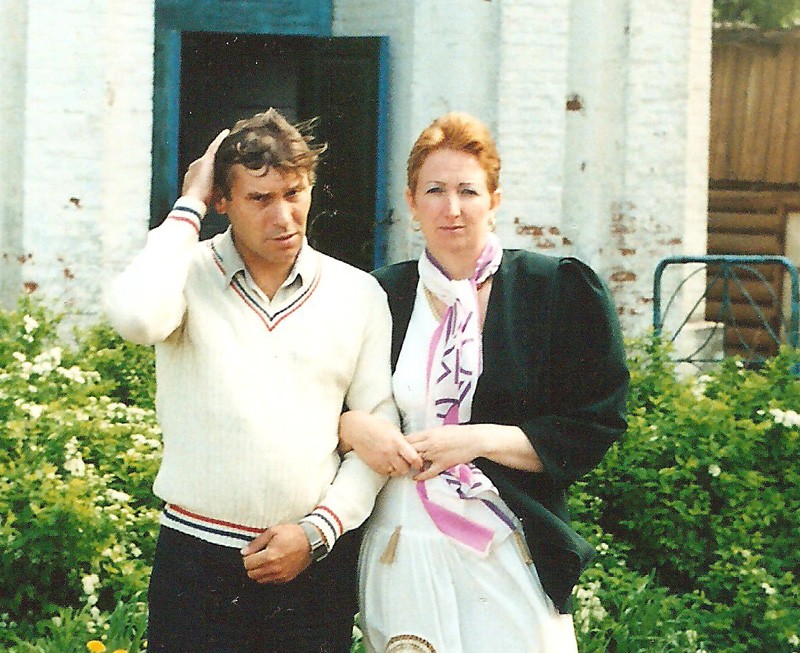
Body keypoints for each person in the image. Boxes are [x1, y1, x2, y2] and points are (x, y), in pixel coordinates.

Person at [104, 108, 397, 653]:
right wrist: (187, 206)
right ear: (223, 201)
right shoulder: (184, 274)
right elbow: (137, 319)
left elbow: (379, 432)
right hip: (196, 563)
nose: (284, 216)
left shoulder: (357, 294)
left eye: (294, 193)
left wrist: (318, 531)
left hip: (310, 566)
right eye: (260, 199)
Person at [339, 112, 629, 652]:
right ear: (411, 202)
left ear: (494, 199)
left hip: (504, 540)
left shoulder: (554, 290)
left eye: (468, 191)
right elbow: (322, 401)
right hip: (403, 541)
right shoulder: (379, 296)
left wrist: (477, 440)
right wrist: (353, 427)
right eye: (435, 191)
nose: (451, 208)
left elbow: (595, 423)